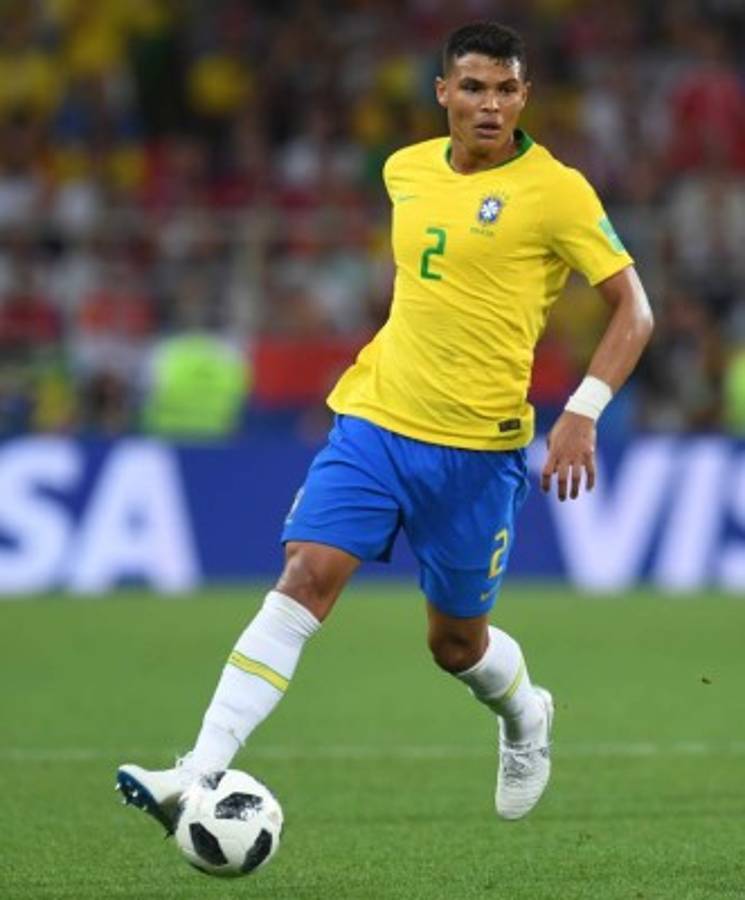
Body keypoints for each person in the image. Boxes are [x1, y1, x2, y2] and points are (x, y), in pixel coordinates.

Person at [117, 21, 653, 830]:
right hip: (376, 419)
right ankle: (195, 772)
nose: (489, 105)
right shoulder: (404, 169)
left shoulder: (557, 191)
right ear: (442, 92)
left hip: (476, 453)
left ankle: (524, 714)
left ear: (524, 97)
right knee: (305, 575)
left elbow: (633, 310)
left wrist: (581, 412)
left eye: (505, 90)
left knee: (455, 645)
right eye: (472, 87)